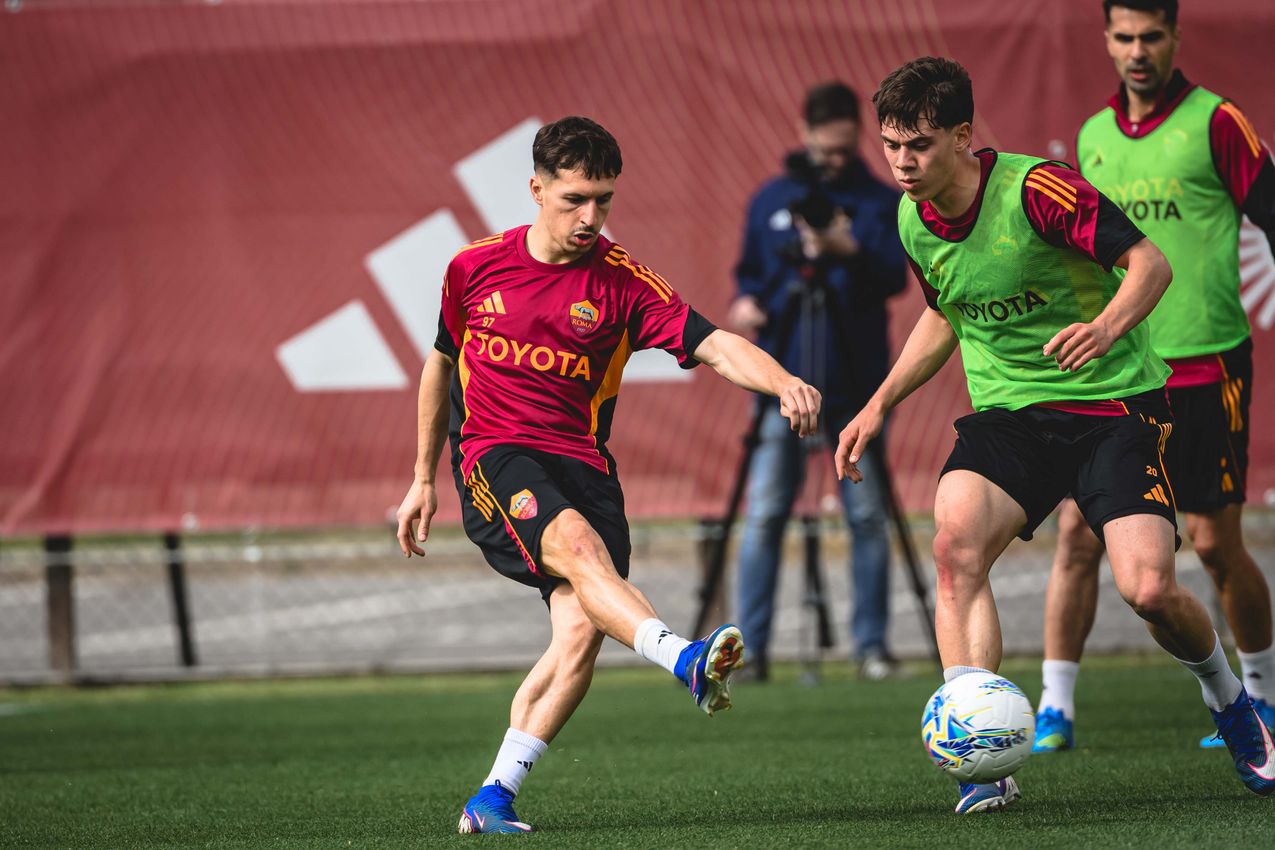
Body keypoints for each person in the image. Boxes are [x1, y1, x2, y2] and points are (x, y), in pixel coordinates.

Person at [834, 56, 1275, 813]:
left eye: (920, 145)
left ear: (963, 137)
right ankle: (983, 763)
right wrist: (878, 403)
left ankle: (1229, 701)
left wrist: (1104, 328)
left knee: (1148, 590)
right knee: (954, 545)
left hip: (1112, 409)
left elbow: (1149, 263)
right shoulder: (913, 219)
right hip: (1010, 415)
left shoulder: (1038, 191)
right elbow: (945, 313)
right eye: (891, 145)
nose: (902, 163)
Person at [394, 116, 822, 834]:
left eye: (603, 200)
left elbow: (711, 343)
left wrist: (781, 381)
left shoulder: (621, 282)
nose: (591, 217)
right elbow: (440, 362)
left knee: (578, 635)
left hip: (585, 467)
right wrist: (420, 477)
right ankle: (682, 659)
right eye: (574, 200)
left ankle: (491, 797)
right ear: (536, 189)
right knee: (580, 551)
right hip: (494, 456)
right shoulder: (473, 268)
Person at [1033, 0, 1275, 755]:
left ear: (1174, 37)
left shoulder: (1216, 122)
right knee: (1075, 532)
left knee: (1210, 544)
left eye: (1150, 37)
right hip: (1123, 374)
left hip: (1206, 363)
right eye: (1123, 37)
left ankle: (1262, 697)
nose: (1137, 51)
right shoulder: (1091, 138)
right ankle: (1054, 707)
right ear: (1105, 41)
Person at [728, 81, 906, 682]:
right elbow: (749, 275)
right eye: (823, 150)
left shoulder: (879, 199)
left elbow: (895, 278)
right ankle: (747, 652)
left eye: (843, 150)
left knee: (864, 516)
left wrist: (845, 247)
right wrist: (746, 303)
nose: (833, 162)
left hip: (855, 381)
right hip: (782, 381)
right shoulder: (772, 198)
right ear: (804, 134)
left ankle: (871, 649)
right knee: (766, 512)